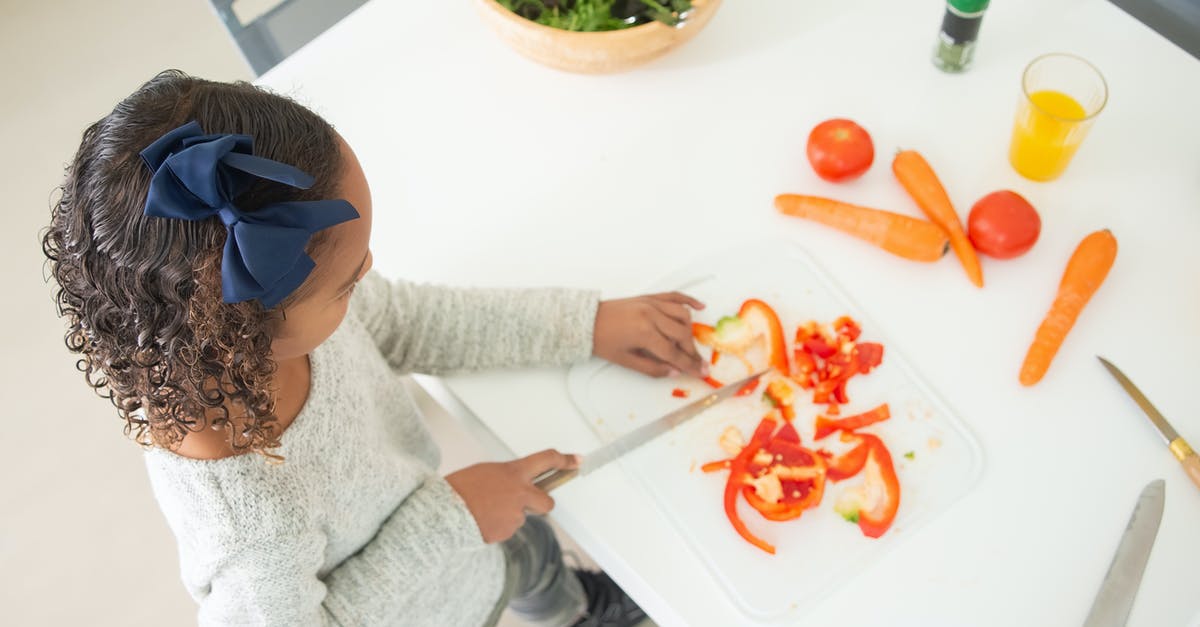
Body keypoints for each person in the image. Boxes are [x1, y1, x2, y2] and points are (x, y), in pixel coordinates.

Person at [41, 70, 709, 627]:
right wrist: (452, 518)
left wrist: (584, 323)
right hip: (437, 589)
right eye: (348, 283)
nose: (368, 278)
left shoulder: (270, 323)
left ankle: (576, 609)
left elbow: (414, 319)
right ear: (241, 328)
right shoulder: (246, 527)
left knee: (533, 559)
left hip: (466, 519)